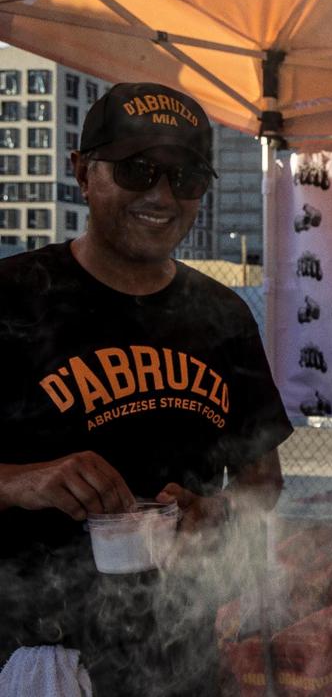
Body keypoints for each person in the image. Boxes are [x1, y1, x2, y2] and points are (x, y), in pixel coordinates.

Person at [0, 82, 292, 695]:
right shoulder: (15, 298)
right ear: (81, 171)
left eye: (185, 179)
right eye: (137, 171)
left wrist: (221, 513)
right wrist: (25, 481)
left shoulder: (223, 316)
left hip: (178, 652)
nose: (161, 196)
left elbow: (262, 479)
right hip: (38, 652)